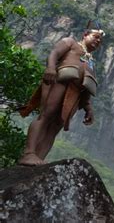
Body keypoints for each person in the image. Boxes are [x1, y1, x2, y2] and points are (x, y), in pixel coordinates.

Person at [17, 23, 105, 166]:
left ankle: (39, 158)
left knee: (56, 125)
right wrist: (51, 68)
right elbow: (54, 53)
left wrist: (88, 108)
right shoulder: (70, 43)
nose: (98, 41)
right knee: (46, 116)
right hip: (59, 82)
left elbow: (87, 85)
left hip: (75, 93)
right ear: (85, 35)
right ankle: (29, 154)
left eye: (100, 41)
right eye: (96, 37)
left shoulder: (91, 62)